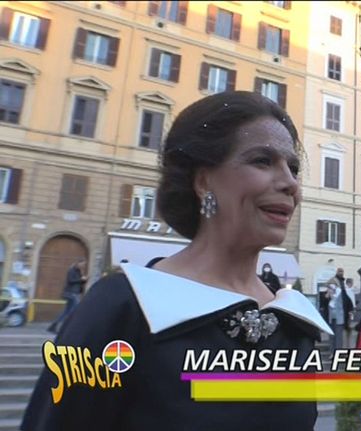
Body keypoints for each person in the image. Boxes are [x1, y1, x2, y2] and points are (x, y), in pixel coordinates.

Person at [23, 91, 332, 430]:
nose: (290, 183)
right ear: (203, 181)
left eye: (293, 168)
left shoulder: (294, 323)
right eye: (262, 161)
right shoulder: (123, 309)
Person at [47, 259, 87, 333]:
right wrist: (81, 279)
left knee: (67, 311)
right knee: (75, 311)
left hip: (75, 293)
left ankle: (53, 326)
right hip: (71, 293)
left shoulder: (79, 271)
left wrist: (84, 280)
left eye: (84, 264)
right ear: (78, 263)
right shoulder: (72, 270)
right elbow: (71, 280)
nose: (83, 266)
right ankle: (66, 328)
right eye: (82, 264)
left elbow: (80, 282)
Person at [326, 267, 354, 353]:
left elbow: (347, 301)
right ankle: (332, 352)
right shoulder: (328, 297)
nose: (331, 288)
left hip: (340, 317)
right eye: (330, 287)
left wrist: (350, 312)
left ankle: (337, 352)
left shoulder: (341, 293)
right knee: (332, 335)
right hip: (331, 318)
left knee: (339, 336)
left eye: (332, 287)